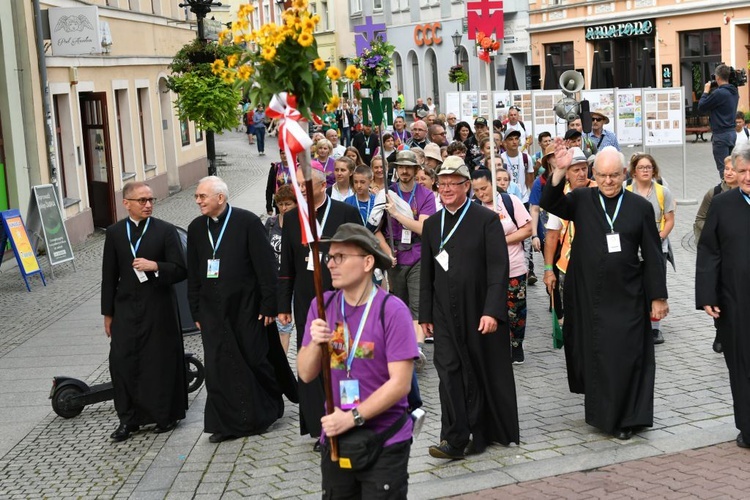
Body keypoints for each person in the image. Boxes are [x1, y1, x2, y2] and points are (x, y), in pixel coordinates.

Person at [540, 143, 668, 441]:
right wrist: (559, 169)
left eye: (614, 175)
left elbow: (652, 253)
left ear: (625, 174)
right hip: (587, 294)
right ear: (593, 174)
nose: (609, 181)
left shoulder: (640, 207)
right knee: (598, 354)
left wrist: (658, 297)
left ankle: (629, 416)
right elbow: (550, 201)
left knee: (625, 355)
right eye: (603, 175)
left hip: (627, 293)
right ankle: (605, 417)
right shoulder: (582, 198)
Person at [298, 224, 418, 498]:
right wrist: (316, 343)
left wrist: (352, 417)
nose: (330, 263)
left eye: (340, 256)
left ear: (367, 262)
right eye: (330, 256)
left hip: (385, 439)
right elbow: (305, 373)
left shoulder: (391, 310)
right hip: (337, 439)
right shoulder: (323, 305)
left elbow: (400, 384)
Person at [420, 156, 520, 459]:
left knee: (478, 371)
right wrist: (424, 315)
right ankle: (454, 437)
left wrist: (492, 310)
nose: (447, 189)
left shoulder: (485, 219)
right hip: (443, 313)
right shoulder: (433, 224)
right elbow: (428, 273)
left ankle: (482, 431)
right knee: (448, 370)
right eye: (443, 184)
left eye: (453, 184)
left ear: (467, 186)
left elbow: (497, 270)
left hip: (478, 311)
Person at [187, 176, 297, 443]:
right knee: (218, 366)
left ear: (220, 198)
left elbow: (266, 266)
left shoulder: (247, 222)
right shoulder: (196, 228)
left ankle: (264, 412)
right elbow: (194, 273)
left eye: (203, 196)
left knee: (254, 359)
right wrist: (196, 310)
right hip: (213, 311)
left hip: (247, 307)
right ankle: (224, 423)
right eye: (197, 197)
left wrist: (269, 304)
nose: (198, 201)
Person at [278, 165, 362, 445]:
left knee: (343, 361)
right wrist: (283, 304)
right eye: (298, 185)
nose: (301, 189)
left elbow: (360, 251)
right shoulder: (291, 218)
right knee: (313, 361)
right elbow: (287, 265)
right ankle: (321, 426)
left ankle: (350, 418)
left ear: (322, 185)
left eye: (306, 185)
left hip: (342, 297)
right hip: (307, 301)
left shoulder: (345, 213)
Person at [101, 182, 187, 442]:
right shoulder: (115, 233)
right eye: (141, 200)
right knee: (123, 361)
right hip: (126, 307)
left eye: (150, 199)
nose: (148, 204)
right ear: (126, 203)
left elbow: (180, 270)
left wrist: (155, 266)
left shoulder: (165, 230)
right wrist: (108, 313)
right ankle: (128, 420)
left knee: (157, 361)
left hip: (158, 305)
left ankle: (163, 415)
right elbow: (109, 276)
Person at [695, 142, 750, 450]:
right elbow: (708, 251)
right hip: (735, 301)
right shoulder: (723, 204)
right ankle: (747, 425)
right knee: (741, 365)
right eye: (742, 171)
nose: (747, 176)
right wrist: (707, 294)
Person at [375, 150, 437, 371]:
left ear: (416, 170)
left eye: (408, 167)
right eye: (400, 166)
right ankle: (402, 345)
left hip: (419, 253)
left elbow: (424, 228)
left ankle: (417, 348)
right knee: (399, 303)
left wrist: (398, 215)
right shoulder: (386, 194)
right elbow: (375, 229)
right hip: (395, 255)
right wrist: (386, 252)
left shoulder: (426, 196)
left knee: (417, 303)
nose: (404, 170)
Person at [471, 170, 532, 364]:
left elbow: (527, 229)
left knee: (516, 311)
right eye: (477, 190)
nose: (481, 193)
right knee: (492, 308)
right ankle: (497, 346)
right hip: (487, 270)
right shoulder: (474, 208)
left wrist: (502, 240)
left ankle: (517, 346)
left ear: (493, 184)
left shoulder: (510, 201)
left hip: (514, 266)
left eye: (484, 188)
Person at [625, 153, 675, 345]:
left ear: (653, 170)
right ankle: (637, 323)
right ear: (634, 172)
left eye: (649, 167)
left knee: (655, 284)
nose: (645, 170)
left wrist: (657, 239)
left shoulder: (662, 192)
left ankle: (655, 329)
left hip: (656, 247)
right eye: (641, 167)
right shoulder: (626, 190)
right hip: (631, 247)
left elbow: (669, 220)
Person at [542, 147, 596, 324]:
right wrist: (548, 269)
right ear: (567, 173)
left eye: (584, 168)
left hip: (594, 262)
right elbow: (551, 236)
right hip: (567, 264)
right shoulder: (561, 196)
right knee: (572, 313)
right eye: (576, 169)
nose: (581, 173)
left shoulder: (598, 190)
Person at [693, 156, 738, 354]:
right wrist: (712, 235)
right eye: (725, 169)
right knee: (719, 293)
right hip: (720, 253)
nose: (727, 173)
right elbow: (700, 219)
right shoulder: (715, 193)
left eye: (732, 169)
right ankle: (720, 333)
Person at [265, 185, 297, 353]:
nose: (283, 208)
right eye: (280, 204)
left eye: (288, 204)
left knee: (286, 325)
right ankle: (281, 365)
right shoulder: (271, 223)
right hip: (275, 280)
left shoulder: (300, 224)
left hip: (294, 280)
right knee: (280, 325)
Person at [698, 64, 740, 179]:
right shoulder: (734, 91)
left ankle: (727, 194)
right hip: (731, 133)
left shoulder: (719, 93)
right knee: (732, 168)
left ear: (717, 78)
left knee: (724, 171)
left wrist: (706, 91)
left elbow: (701, 107)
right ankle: (734, 192)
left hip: (721, 135)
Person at [345, 165, 377, 230]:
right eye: (355, 182)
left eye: (362, 182)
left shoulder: (376, 201)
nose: (358, 186)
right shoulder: (348, 202)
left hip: (372, 237)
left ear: (370, 181)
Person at [265, 148, 292, 216]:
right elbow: (269, 187)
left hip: (293, 202)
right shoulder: (275, 167)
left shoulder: (297, 167)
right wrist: (269, 206)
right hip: (279, 202)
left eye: (287, 153)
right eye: (282, 153)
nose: (285, 155)